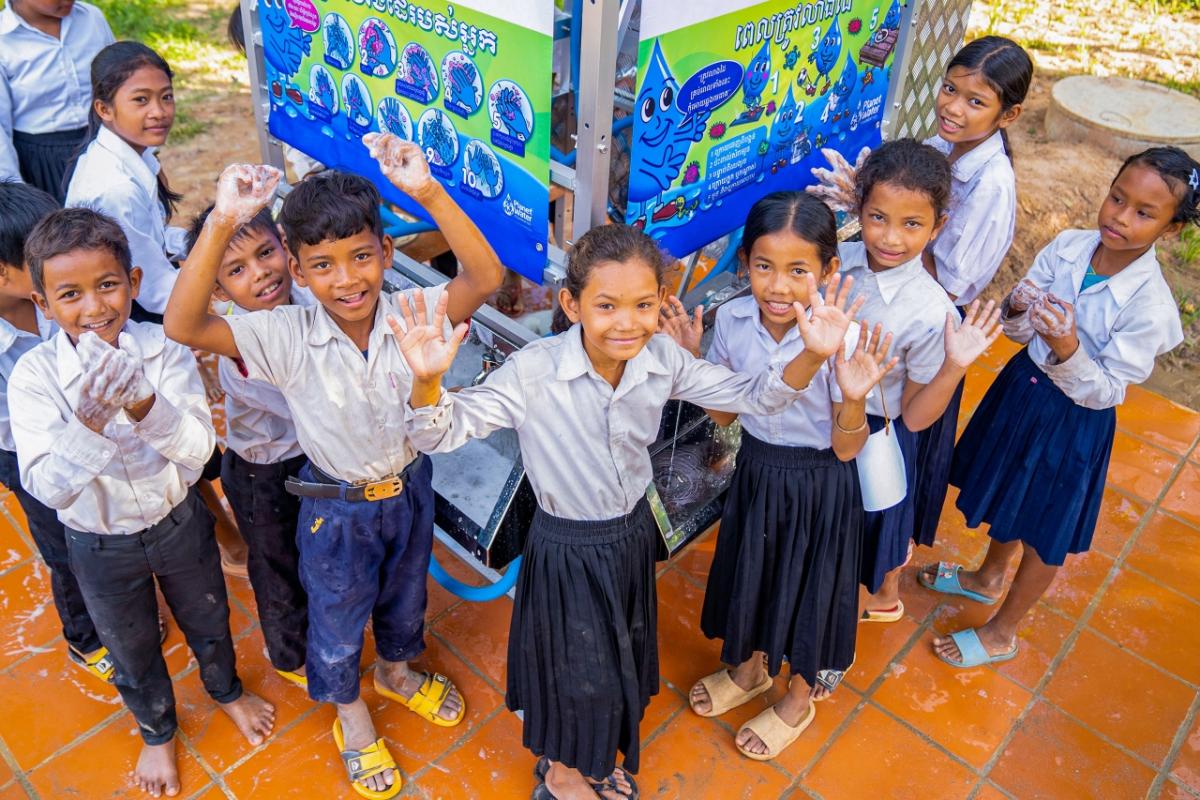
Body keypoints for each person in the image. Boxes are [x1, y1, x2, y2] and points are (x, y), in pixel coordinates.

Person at [394, 222, 866, 799]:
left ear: (662, 301)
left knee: (616, 663)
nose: (627, 322)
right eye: (606, 305)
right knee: (578, 677)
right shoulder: (535, 373)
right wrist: (426, 381)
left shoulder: (663, 359)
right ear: (572, 304)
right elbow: (437, 433)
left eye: (644, 304)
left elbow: (756, 397)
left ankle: (586, 759)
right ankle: (566, 777)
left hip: (630, 537)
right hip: (568, 547)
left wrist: (814, 354)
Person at [165, 134, 504, 798]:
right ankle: (351, 718)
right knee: (338, 614)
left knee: (408, 597)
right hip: (337, 511)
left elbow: (485, 278)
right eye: (322, 265)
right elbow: (182, 324)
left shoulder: (412, 311)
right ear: (296, 269)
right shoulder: (283, 336)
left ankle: (398, 674)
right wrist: (227, 221)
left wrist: (428, 191)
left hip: (409, 489)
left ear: (385, 252)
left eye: (359, 257)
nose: (346, 280)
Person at [8, 207, 275, 798]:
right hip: (99, 543)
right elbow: (50, 488)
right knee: (129, 643)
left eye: (107, 285)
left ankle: (226, 690)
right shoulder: (34, 378)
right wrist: (92, 420)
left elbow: (201, 449)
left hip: (177, 520)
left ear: (132, 283)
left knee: (208, 616)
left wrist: (145, 405)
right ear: (43, 304)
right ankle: (156, 729)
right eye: (69, 294)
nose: (94, 308)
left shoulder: (161, 348)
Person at [924, 147, 1196, 666]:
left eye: (1144, 212)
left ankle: (1003, 631)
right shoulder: (1070, 245)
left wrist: (1069, 346)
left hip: (1074, 421)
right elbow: (1017, 329)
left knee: (1046, 528)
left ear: (1172, 230)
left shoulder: (1151, 306)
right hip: (1024, 387)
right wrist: (1019, 308)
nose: (1119, 216)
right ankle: (986, 577)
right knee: (1010, 491)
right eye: (1117, 197)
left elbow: (1109, 389)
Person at [660, 192, 896, 761]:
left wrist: (855, 398)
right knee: (754, 572)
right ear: (744, 264)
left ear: (828, 271)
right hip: (759, 470)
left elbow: (847, 448)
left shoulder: (846, 335)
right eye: (764, 266)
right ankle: (749, 671)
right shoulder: (736, 320)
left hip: (821, 483)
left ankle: (797, 697)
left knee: (810, 589)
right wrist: (696, 367)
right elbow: (727, 415)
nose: (778, 286)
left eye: (798, 270)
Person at [808, 37, 1033, 557]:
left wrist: (875, 224)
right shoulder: (937, 147)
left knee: (888, 465)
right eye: (950, 89)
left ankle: (884, 566)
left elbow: (944, 280)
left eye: (975, 101)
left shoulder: (992, 186)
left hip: (922, 333)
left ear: (1009, 114)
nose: (953, 108)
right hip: (882, 316)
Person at [65, 40, 248, 572]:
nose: (159, 112)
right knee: (168, 427)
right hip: (130, 315)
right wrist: (228, 306)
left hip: (138, 295)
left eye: (165, 97)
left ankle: (215, 521)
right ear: (104, 108)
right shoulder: (113, 185)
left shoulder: (128, 157)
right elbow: (154, 290)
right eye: (141, 100)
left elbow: (151, 242)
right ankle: (218, 531)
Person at [837, 139, 1002, 623]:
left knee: (869, 533)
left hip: (876, 435)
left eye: (912, 224)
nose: (891, 238)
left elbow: (914, 416)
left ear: (938, 227)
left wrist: (953, 366)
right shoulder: (838, 262)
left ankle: (876, 601)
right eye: (878, 217)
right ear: (859, 209)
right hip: (827, 421)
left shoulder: (931, 310)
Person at [183, 204, 314, 688]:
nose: (261, 274)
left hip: (305, 458)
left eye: (266, 253)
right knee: (275, 566)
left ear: (284, 244)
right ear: (218, 291)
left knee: (309, 552)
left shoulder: (303, 298)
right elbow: (306, 404)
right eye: (237, 270)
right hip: (265, 475)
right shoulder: (239, 341)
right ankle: (291, 654)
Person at [0, 180, 111, 681]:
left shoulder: (53, 303)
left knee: (93, 517)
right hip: (21, 451)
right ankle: (85, 637)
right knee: (62, 545)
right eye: (37, 254)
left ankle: (114, 599)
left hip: (82, 426)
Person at [0, 0, 114, 201]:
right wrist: (14, 194)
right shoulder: (4, 42)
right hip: (42, 164)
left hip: (103, 145)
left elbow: (118, 84)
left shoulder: (91, 18)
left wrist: (148, 156)